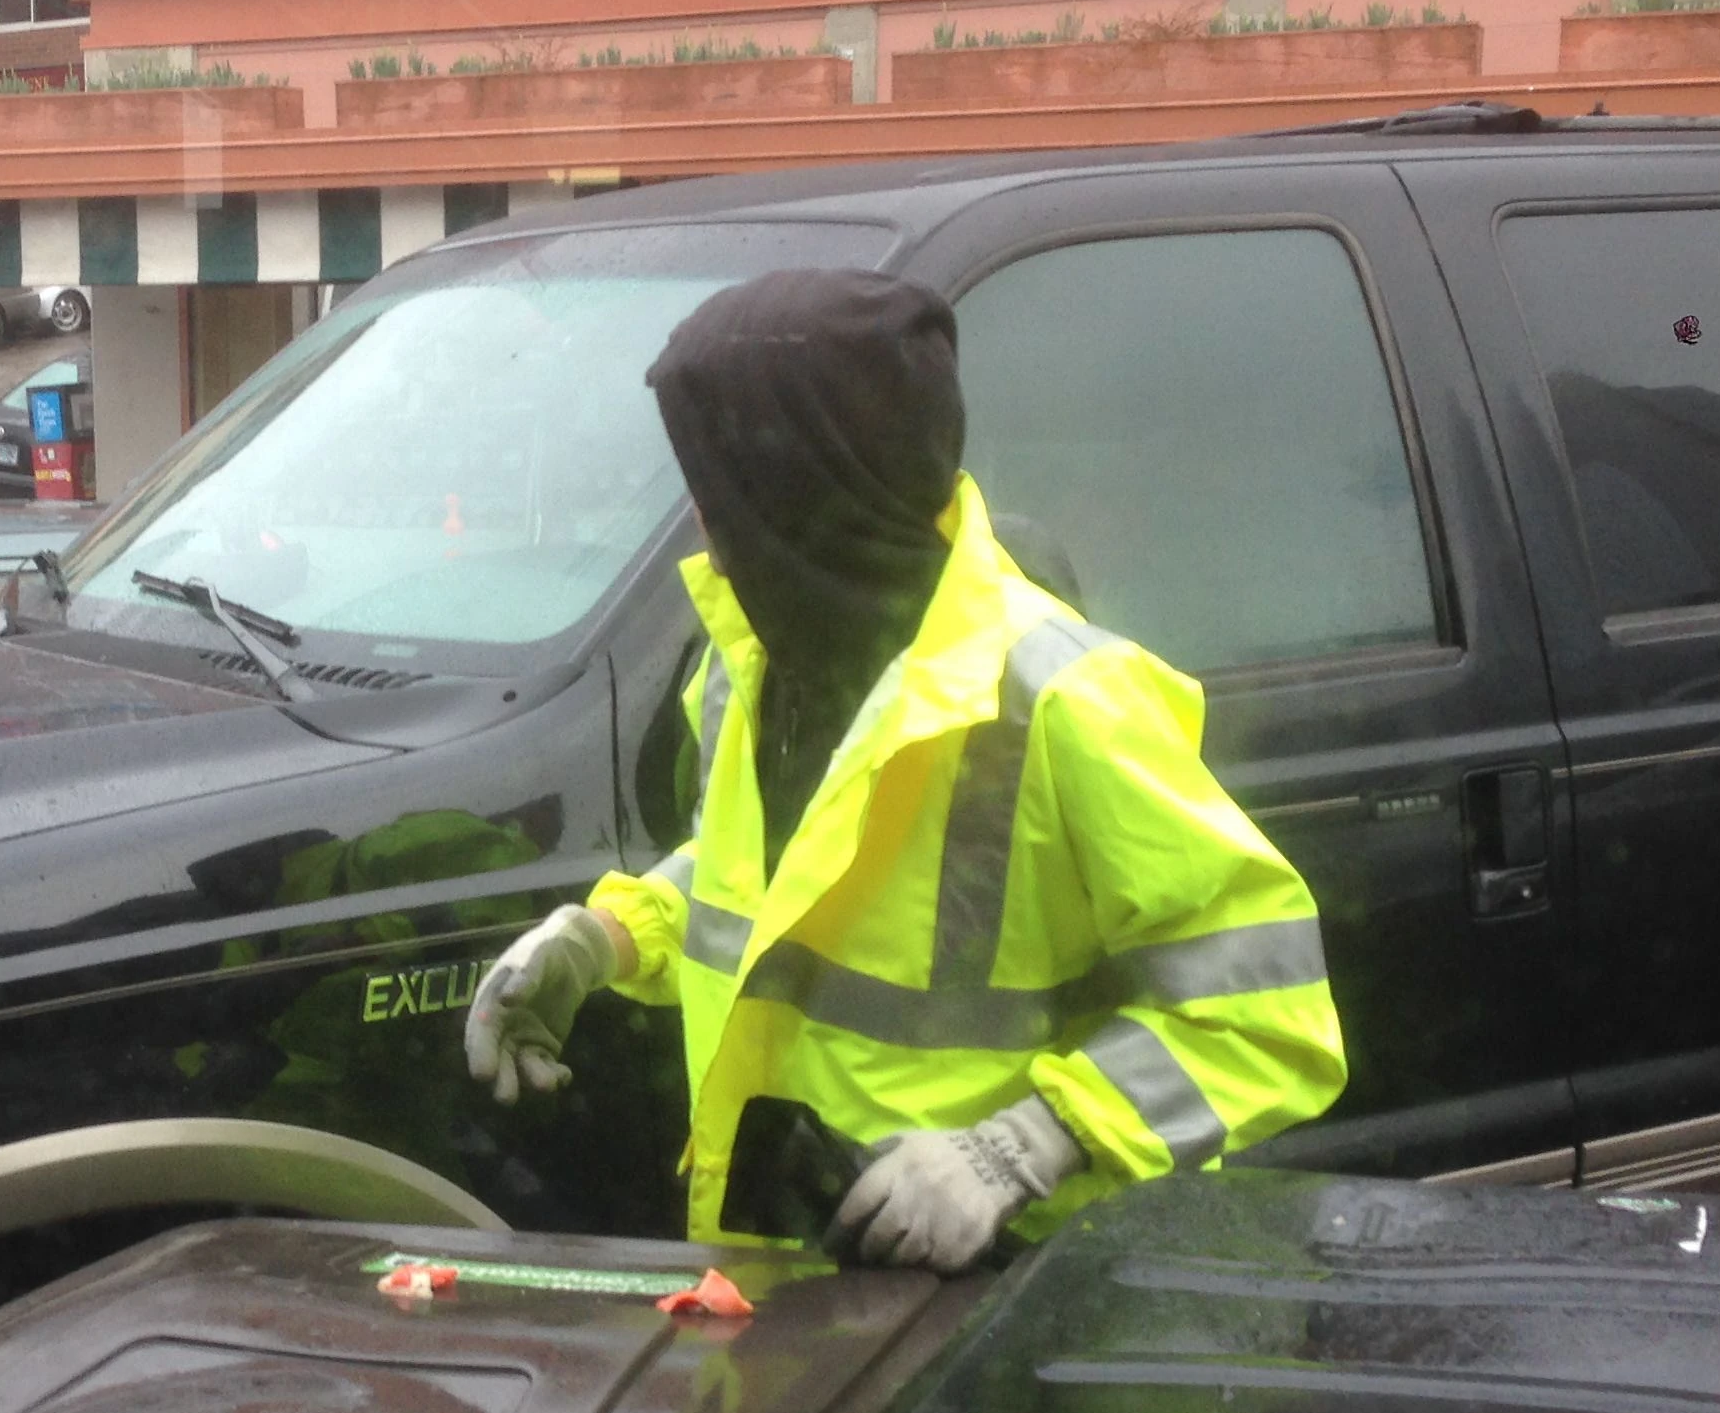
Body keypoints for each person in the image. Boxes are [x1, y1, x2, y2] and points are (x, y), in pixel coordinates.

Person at [464, 269, 1345, 1272]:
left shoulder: (1062, 698)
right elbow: (769, 880)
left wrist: (1025, 1146)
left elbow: (1269, 1021)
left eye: (720, 488)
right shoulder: (747, 664)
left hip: (1006, 1310)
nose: (704, 527)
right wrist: (605, 938)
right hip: (790, 1273)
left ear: (808, 488)